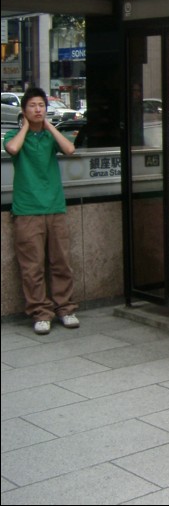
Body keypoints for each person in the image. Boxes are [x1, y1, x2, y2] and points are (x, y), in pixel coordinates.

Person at [3, 87, 80, 335]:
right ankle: (40, 313)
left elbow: (70, 150)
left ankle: (65, 309)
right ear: (24, 110)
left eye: (41, 105)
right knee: (32, 267)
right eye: (33, 105)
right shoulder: (15, 135)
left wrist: (48, 125)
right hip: (27, 210)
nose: (38, 109)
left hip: (55, 207)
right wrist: (26, 126)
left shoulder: (49, 137)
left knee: (61, 262)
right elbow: (13, 149)